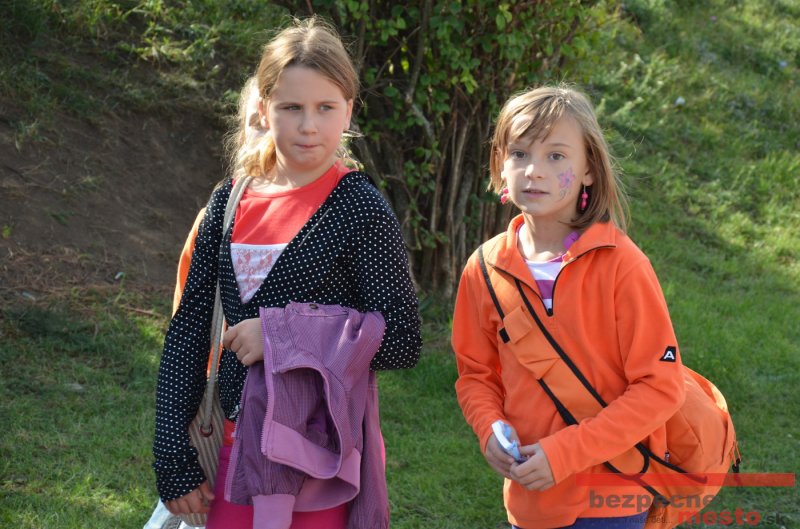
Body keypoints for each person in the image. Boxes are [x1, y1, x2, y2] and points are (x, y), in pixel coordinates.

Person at [152, 17, 422, 529]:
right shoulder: (228, 202)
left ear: (349, 109)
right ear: (263, 107)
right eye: (291, 108)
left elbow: (401, 341)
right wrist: (171, 454)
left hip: (318, 458)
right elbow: (188, 332)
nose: (308, 126)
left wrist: (280, 335)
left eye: (326, 108)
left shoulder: (361, 209)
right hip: (231, 449)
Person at [451, 85, 685, 529]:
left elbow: (660, 387)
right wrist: (489, 428)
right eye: (519, 153)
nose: (534, 170)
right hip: (532, 499)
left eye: (556, 156)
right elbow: (475, 375)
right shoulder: (482, 269)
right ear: (500, 164)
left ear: (589, 170)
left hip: (613, 498)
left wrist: (565, 453)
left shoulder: (623, 266)